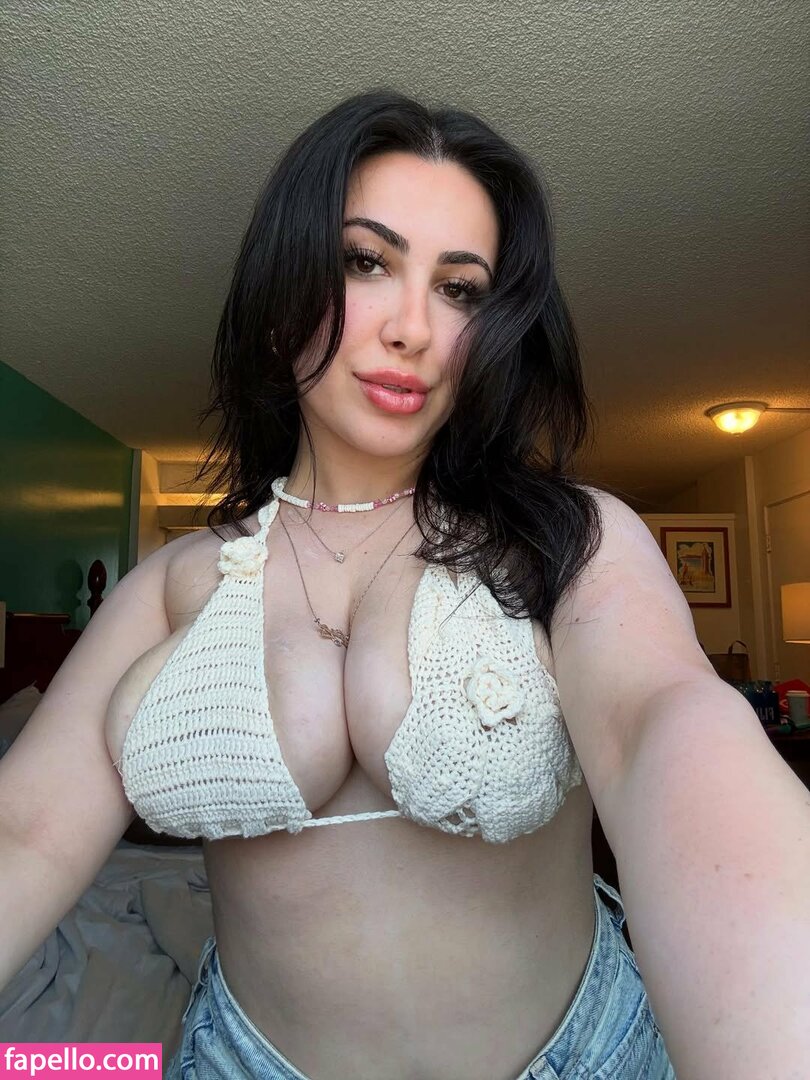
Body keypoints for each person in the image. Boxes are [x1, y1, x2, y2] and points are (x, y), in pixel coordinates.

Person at [2, 89, 807, 1080]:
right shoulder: (172, 582)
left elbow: (668, 727)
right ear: (284, 294)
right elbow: (25, 829)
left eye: (461, 289)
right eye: (366, 262)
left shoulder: (567, 541)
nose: (415, 328)